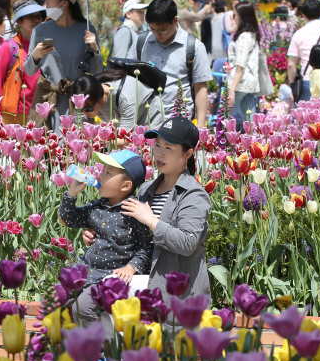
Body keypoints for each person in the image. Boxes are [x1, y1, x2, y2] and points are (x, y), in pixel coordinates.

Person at [120, 117, 211, 332]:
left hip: (178, 304)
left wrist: (152, 221)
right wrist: (97, 233)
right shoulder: (146, 190)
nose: (159, 153)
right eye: (157, 145)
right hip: (144, 296)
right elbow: (135, 238)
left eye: (168, 148)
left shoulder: (193, 195)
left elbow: (188, 243)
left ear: (188, 153)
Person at [59, 150, 152, 333]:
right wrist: (72, 192)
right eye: (102, 170)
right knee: (55, 298)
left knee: (83, 307)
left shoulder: (134, 212)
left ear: (126, 185)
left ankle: (100, 355)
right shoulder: (97, 206)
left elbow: (146, 246)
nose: (100, 174)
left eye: (108, 173)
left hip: (109, 276)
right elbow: (69, 219)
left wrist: (131, 268)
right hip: (86, 271)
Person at [25, 0, 102, 132]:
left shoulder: (87, 30)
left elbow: (96, 71)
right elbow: (29, 71)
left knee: (76, 149)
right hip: (48, 103)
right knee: (47, 150)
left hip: (77, 102)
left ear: (64, 3)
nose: (45, 3)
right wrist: (35, 55)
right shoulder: (40, 30)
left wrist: (95, 49)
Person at [127, 0, 212, 128]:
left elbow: (200, 87)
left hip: (178, 121)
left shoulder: (193, 47)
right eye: (152, 29)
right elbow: (129, 76)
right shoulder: (142, 42)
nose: (157, 34)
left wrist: (200, 127)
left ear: (175, 21)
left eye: (162, 30)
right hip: (145, 119)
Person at [0, 0, 45, 125]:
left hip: (41, 113)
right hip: (14, 115)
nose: (36, 20)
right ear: (19, 21)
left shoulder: (46, 47)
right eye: (30, 16)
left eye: (38, 16)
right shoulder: (9, 47)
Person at [74, 71, 164, 133]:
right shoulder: (90, 97)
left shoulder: (125, 98)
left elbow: (124, 138)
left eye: (87, 108)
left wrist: (96, 136)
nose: (83, 112)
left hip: (149, 119)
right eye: (79, 108)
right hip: (123, 125)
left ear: (100, 99)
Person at [286, 0, 320, 102]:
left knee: (304, 116)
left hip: (308, 79)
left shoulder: (298, 34)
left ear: (303, 15)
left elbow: (291, 65)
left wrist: (293, 84)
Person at [226, 1, 261, 123]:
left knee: (224, 117)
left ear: (242, 17)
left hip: (240, 83)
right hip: (249, 83)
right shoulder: (252, 35)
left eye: (235, 14)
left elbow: (240, 66)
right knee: (250, 121)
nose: (233, 17)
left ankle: (220, 141)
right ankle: (254, 141)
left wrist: (231, 90)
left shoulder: (244, 37)